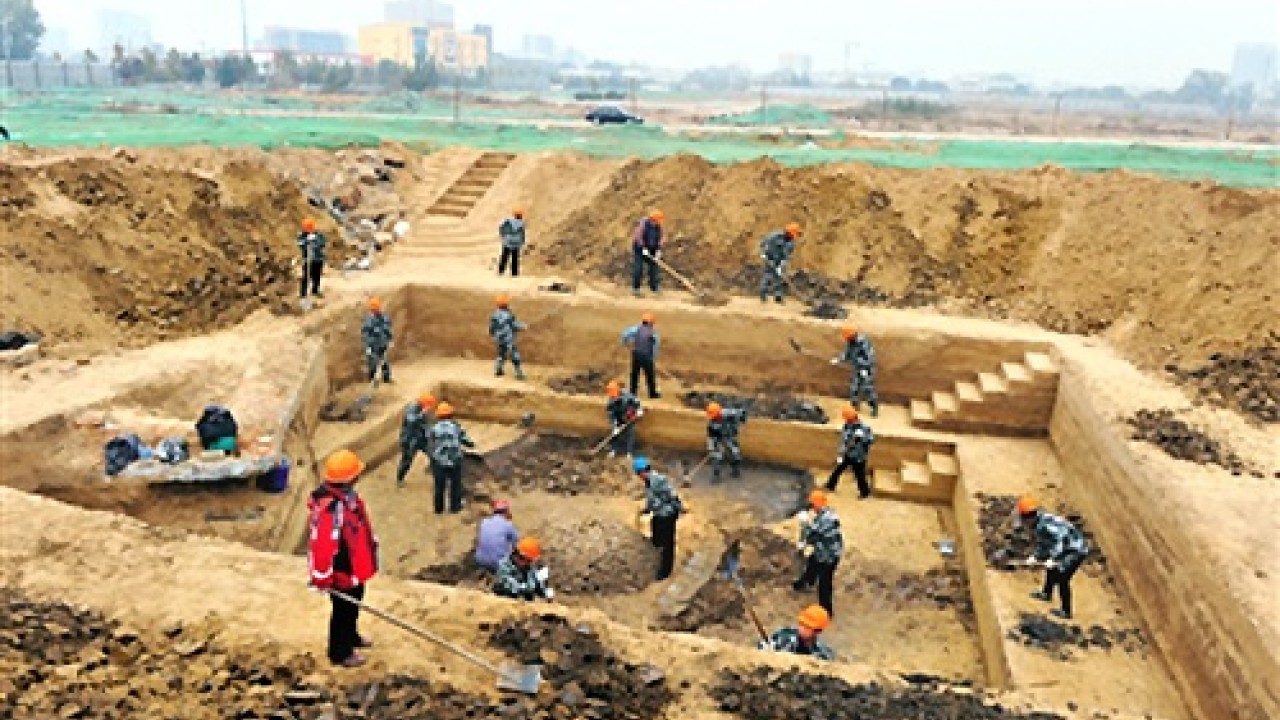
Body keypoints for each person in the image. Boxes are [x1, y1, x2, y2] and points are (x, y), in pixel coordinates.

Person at [307, 449, 379, 668]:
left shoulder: (348, 498)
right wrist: (322, 576)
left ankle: (351, 636)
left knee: (354, 604)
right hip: (342, 571)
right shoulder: (331, 509)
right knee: (342, 611)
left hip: (355, 566)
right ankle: (340, 652)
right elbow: (323, 546)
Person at [1017, 496, 1090, 620]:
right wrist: (1035, 556)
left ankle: (1066, 611)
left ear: (1030, 517)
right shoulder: (1038, 523)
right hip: (1064, 547)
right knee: (1051, 569)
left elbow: (1060, 541)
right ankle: (1046, 593)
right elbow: (1044, 543)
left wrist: (1055, 559)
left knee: (1062, 578)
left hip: (1075, 550)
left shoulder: (1046, 525)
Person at [794, 490, 843, 616]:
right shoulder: (825, 514)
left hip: (829, 556)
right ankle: (805, 582)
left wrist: (804, 525)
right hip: (822, 551)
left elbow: (812, 536)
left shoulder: (827, 519)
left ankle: (826, 610)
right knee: (812, 563)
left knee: (824, 583)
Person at [635, 456, 683, 581]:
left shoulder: (659, 480)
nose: (639, 477)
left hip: (667, 515)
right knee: (655, 534)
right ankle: (656, 557)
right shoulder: (649, 482)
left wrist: (675, 507)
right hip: (659, 514)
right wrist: (647, 509)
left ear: (642, 472)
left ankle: (665, 571)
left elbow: (672, 495)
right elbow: (652, 498)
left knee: (667, 543)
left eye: (638, 474)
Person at [427, 402, 476, 514]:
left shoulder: (434, 429)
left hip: (439, 461)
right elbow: (465, 439)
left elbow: (430, 445)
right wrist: (471, 444)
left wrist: (433, 458)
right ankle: (455, 507)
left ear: (438, 416)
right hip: (455, 460)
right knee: (455, 485)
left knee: (439, 486)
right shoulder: (455, 427)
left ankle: (438, 509)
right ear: (450, 414)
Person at [826, 404, 875, 498]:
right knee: (837, 470)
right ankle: (830, 485)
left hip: (858, 457)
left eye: (848, 419)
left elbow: (871, 440)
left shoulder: (864, 428)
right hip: (846, 454)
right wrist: (841, 452)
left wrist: (862, 438)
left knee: (860, 476)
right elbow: (844, 440)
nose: (847, 420)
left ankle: (865, 493)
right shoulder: (847, 426)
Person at [831, 325, 878, 417]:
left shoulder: (863, 343)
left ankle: (873, 407)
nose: (847, 339)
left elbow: (870, 358)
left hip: (866, 369)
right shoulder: (850, 342)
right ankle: (854, 406)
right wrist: (838, 359)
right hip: (857, 368)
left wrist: (863, 367)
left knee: (867, 389)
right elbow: (846, 354)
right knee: (854, 388)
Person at [759, 604, 835, 661]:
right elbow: (761, 647)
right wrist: (766, 651)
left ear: (818, 631)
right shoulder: (784, 635)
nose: (802, 629)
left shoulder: (823, 653)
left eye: (807, 627)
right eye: (801, 624)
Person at [395, 393, 436, 488]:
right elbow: (411, 421)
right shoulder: (412, 408)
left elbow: (428, 424)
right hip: (410, 439)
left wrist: (430, 434)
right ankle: (400, 479)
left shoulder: (427, 411)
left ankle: (435, 475)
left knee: (434, 455)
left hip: (422, 438)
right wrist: (422, 414)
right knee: (407, 460)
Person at [493, 537, 554, 601]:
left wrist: (544, 590)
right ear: (519, 556)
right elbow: (514, 587)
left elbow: (534, 581)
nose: (528, 563)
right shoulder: (503, 566)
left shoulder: (526, 568)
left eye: (530, 561)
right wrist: (530, 587)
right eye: (528, 561)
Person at [621, 313, 661, 399]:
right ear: (651, 323)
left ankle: (632, 392)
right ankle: (652, 393)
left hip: (636, 354)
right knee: (650, 375)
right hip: (647, 357)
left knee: (634, 374)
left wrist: (625, 344)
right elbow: (655, 347)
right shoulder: (653, 333)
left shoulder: (636, 329)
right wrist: (654, 358)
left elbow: (625, 334)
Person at [706, 401, 748, 480]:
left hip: (730, 435)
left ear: (719, 412)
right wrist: (712, 448)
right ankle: (716, 475)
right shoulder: (711, 424)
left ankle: (736, 470)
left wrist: (742, 423)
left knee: (735, 454)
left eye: (715, 416)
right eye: (712, 417)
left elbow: (743, 412)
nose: (714, 418)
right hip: (718, 437)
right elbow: (711, 437)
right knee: (716, 456)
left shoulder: (730, 413)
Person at [759, 223, 800, 303]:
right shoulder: (774, 236)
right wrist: (763, 254)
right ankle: (763, 295)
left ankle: (778, 297)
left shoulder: (791, 243)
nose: (793, 237)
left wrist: (781, 265)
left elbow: (786, 256)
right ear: (788, 232)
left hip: (779, 260)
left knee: (779, 277)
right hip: (769, 258)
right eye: (792, 235)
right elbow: (763, 244)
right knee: (767, 276)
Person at [490, 294, 528, 380]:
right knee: (514, 355)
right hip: (508, 339)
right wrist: (523, 326)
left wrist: (493, 335)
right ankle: (519, 373)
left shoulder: (494, 315)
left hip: (499, 338)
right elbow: (513, 325)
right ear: (506, 304)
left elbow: (492, 327)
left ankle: (498, 369)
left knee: (501, 354)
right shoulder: (509, 315)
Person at [475, 500, 521, 572]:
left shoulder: (484, 522)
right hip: (497, 563)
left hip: (480, 560)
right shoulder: (508, 525)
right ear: (505, 511)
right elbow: (518, 544)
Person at [605, 380, 644, 458]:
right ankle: (614, 450)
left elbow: (637, 402)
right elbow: (611, 414)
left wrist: (639, 410)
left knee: (630, 433)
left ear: (618, 390)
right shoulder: (611, 400)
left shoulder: (627, 396)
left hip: (629, 416)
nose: (613, 397)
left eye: (614, 394)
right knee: (615, 434)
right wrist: (615, 425)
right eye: (612, 395)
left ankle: (629, 453)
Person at [631, 210, 664, 296]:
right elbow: (638, 237)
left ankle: (654, 287)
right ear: (652, 219)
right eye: (656, 221)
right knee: (638, 268)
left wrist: (658, 251)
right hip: (639, 249)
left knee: (654, 269)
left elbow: (660, 239)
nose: (657, 223)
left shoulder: (658, 227)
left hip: (652, 249)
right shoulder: (643, 225)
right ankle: (636, 289)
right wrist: (643, 248)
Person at [361, 297, 393, 384]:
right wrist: (368, 347)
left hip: (383, 343)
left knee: (385, 362)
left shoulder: (384, 318)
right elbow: (365, 334)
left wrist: (390, 340)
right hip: (373, 346)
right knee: (373, 364)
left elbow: (388, 329)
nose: (375, 310)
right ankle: (372, 380)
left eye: (377, 308)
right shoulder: (368, 321)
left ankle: (386, 378)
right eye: (374, 309)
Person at [297, 218, 328, 299]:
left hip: (318, 259)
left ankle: (315, 290)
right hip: (307, 259)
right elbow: (300, 244)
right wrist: (307, 241)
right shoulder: (301, 235)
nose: (307, 230)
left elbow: (323, 243)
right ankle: (303, 294)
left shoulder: (319, 234)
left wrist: (315, 242)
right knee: (306, 277)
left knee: (317, 276)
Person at [498, 207, 526, 277]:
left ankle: (501, 271)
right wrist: (522, 241)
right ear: (520, 216)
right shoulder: (521, 223)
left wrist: (503, 236)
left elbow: (501, 228)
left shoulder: (508, 221)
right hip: (516, 243)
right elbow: (522, 233)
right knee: (515, 258)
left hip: (507, 241)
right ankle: (514, 273)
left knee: (504, 257)